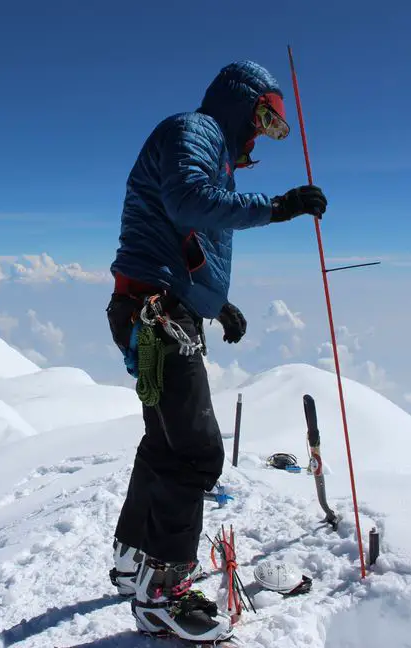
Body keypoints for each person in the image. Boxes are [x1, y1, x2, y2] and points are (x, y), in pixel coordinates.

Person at [105, 60, 327, 643]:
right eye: (262, 117)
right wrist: (276, 207)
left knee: (166, 443)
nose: (260, 134)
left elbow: (181, 234)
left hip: (155, 305)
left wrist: (213, 303)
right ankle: (162, 593)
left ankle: (134, 558)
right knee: (198, 454)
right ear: (239, 103)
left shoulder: (210, 148)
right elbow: (188, 202)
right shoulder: (194, 132)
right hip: (157, 311)